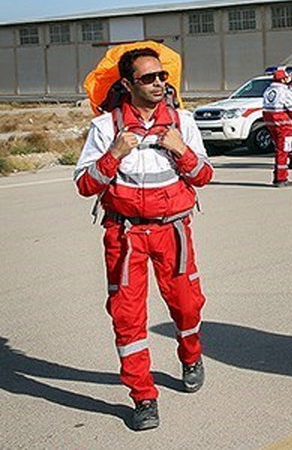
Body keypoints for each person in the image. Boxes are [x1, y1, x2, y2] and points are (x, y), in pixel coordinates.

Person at [74, 47, 213, 431]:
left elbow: (204, 176)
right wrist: (114, 154)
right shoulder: (106, 128)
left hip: (174, 230)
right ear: (127, 84)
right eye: (148, 78)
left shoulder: (183, 123)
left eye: (162, 76)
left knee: (187, 305)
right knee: (127, 317)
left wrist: (181, 151)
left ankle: (190, 354)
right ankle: (143, 396)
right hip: (125, 235)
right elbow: (85, 185)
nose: (159, 83)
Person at [262, 68, 292, 187]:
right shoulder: (285, 91)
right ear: (282, 79)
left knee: (278, 150)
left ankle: (278, 175)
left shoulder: (268, 90)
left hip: (271, 123)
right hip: (283, 124)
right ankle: (281, 178)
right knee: (284, 151)